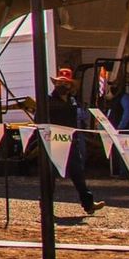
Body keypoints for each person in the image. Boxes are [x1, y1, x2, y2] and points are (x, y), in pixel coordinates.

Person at [44, 67, 105, 215]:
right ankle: (46, 209)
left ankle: (88, 204)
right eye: (59, 83)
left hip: (71, 142)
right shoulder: (48, 100)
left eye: (65, 84)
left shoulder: (72, 100)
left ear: (70, 86)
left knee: (78, 174)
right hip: (53, 142)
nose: (62, 87)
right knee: (49, 177)